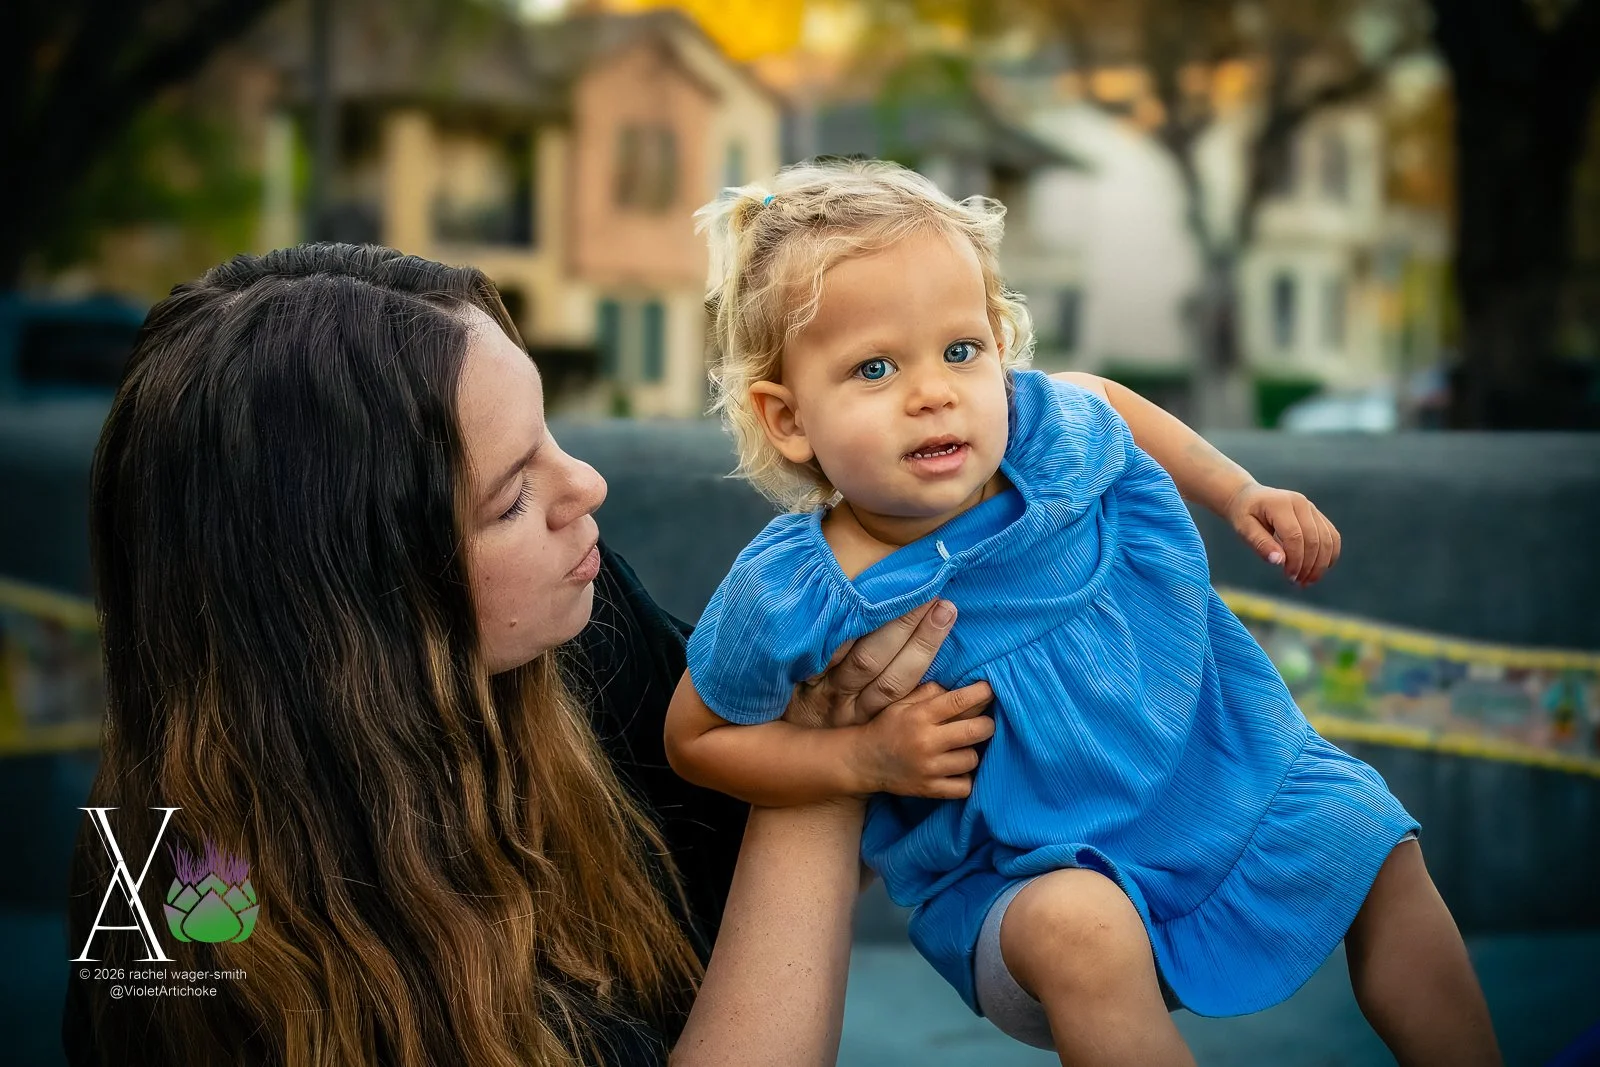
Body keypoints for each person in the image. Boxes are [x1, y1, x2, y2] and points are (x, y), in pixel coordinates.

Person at [62, 242, 1001, 1067]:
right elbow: (795, 828)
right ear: (356, 615)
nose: (584, 484)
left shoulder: (577, 626)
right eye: (510, 497)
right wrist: (825, 777)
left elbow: (746, 865)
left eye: (551, 433)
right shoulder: (175, 928)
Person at [664, 159, 1502, 1067]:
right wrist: (855, 758)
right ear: (788, 419)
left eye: (961, 349)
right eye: (875, 367)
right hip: (1024, 872)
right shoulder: (798, 587)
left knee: (1377, 842)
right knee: (1085, 928)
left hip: (1216, 778)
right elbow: (694, 736)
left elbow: (1104, 395)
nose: (935, 391)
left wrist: (1237, 489)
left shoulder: (1042, 437)